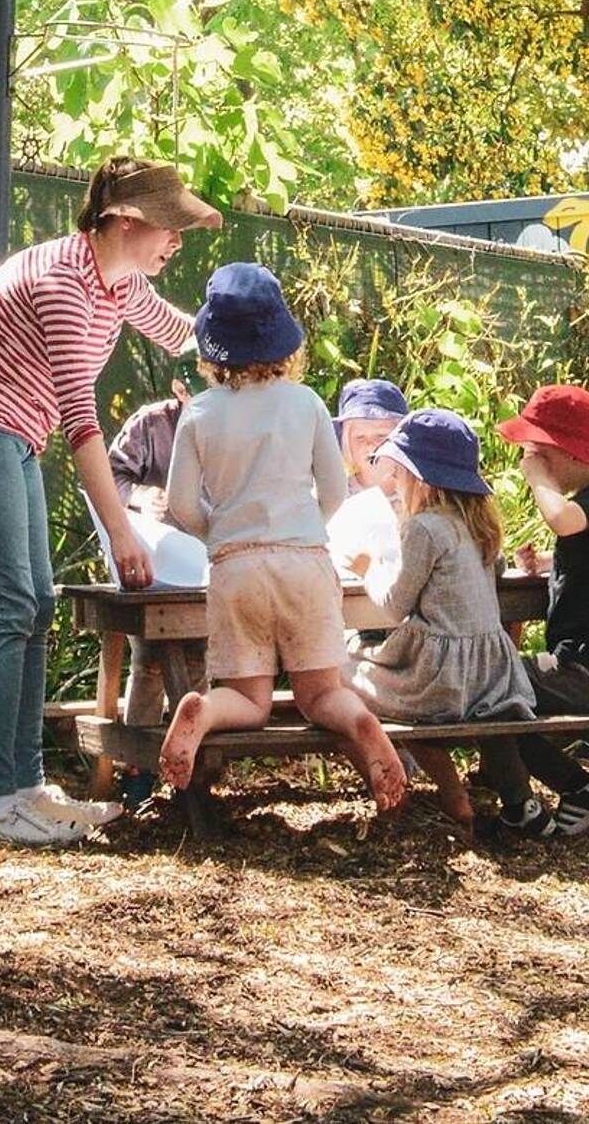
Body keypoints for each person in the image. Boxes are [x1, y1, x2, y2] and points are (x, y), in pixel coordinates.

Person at [0, 157, 222, 846]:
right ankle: (0, 803)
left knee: (37, 603)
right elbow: (81, 424)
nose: (177, 240)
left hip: (14, 435)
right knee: (10, 608)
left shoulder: (115, 285)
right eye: (169, 226)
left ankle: (26, 786)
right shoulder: (62, 282)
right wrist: (122, 533)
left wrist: (251, 337)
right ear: (123, 221)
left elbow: (184, 332)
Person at [156, 263, 406, 814]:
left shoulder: (198, 414)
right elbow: (335, 489)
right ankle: (361, 721)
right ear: (283, 342)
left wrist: (218, 530)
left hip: (236, 565)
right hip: (304, 562)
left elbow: (177, 504)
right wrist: (305, 524)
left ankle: (203, 707)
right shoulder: (307, 403)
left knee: (248, 699)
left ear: (211, 347)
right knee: (321, 693)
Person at [344, 410, 555, 836]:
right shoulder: (479, 527)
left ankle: (447, 793)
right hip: (489, 679)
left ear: (420, 479)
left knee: (346, 674)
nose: (395, 485)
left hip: (439, 680)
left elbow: (394, 604)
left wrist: (368, 569)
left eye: (400, 474)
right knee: (378, 679)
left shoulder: (423, 529)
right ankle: (520, 807)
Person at [497, 385, 589, 835]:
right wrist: (541, 564)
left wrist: (538, 478)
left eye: (540, 452)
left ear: (570, 453)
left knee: (490, 694)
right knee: (496, 687)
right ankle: (553, 787)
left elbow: (561, 519)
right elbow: (583, 557)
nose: (533, 461)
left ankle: (578, 788)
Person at [106, 379, 208, 807]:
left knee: (199, 662)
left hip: (206, 568)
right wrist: (141, 497)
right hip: (151, 566)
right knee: (148, 662)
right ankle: (138, 773)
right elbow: (109, 475)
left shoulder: (235, 425)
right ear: (179, 389)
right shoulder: (150, 424)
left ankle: (195, 775)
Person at [335, 379, 409, 496]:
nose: (369, 445)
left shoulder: (422, 494)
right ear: (346, 444)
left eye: (380, 436)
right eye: (360, 438)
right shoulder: (329, 496)